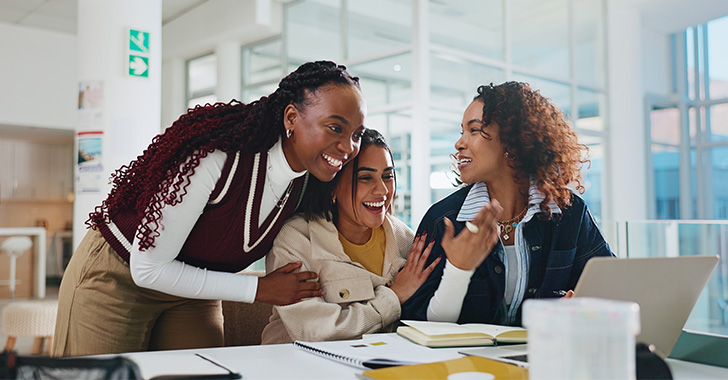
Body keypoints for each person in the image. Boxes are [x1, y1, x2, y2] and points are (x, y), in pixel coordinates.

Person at [54, 61, 367, 356]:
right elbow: (148, 268)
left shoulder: (308, 185)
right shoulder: (218, 158)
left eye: (356, 135)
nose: (349, 147)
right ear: (291, 118)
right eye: (335, 128)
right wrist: (259, 289)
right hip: (118, 276)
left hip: (192, 292)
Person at [400, 81, 614, 326]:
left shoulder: (570, 214)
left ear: (512, 140)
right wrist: (458, 270)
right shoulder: (444, 220)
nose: (459, 144)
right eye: (462, 131)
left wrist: (578, 307)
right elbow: (416, 319)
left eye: (474, 130)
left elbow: (609, 291)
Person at [261, 129, 440, 344]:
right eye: (365, 178)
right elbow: (316, 331)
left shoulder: (406, 240)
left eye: (387, 176)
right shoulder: (297, 239)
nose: (382, 190)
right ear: (332, 188)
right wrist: (394, 296)